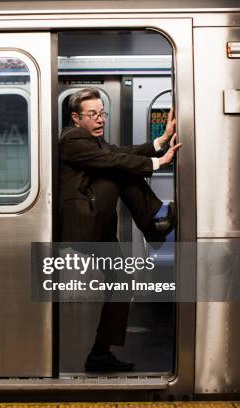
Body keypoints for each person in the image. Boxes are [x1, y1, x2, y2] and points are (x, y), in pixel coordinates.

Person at [59, 87, 182, 372]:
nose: (100, 120)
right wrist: (157, 162)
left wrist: (161, 141)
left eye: (102, 113)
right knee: (119, 169)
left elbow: (120, 152)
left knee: (123, 279)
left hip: (99, 227)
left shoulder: (93, 140)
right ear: (76, 118)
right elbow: (113, 160)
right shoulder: (73, 138)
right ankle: (154, 223)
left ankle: (100, 353)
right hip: (83, 224)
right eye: (93, 115)